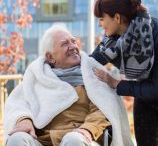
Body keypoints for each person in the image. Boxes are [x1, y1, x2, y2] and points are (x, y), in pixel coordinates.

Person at [4, 25, 133, 146]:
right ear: (50, 57)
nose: (73, 46)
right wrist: (24, 119)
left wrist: (87, 130)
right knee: (17, 139)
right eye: (65, 44)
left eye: (73, 41)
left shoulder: (93, 75)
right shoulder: (37, 77)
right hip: (43, 140)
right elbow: (18, 103)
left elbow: (103, 110)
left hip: (82, 137)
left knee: (73, 140)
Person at [91, 0, 158, 146]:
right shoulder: (112, 41)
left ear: (117, 18)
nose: (99, 24)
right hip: (145, 99)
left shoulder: (156, 34)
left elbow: (157, 88)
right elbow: (91, 62)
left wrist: (116, 84)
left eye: (102, 19)